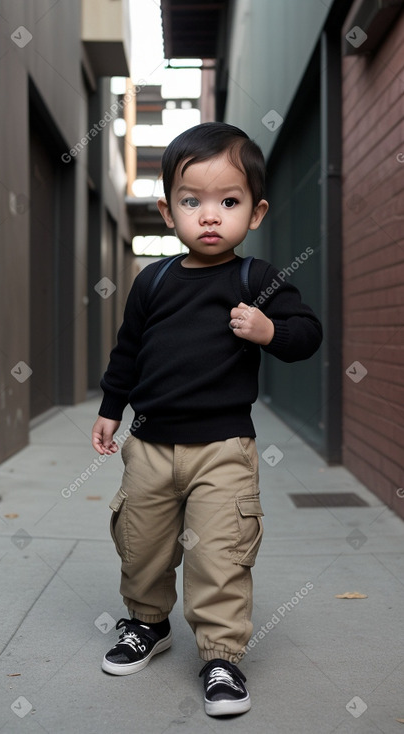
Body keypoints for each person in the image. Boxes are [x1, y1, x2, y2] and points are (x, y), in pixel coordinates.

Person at [91, 121, 322, 717]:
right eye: (193, 202)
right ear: (169, 212)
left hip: (223, 449)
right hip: (150, 447)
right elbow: (127, 352)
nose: (210, 216)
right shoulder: (153, 281)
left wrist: (269, 330)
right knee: (141, 545)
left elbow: (307, 335)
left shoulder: (256, 279)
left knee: (220, 552)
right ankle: (147, 622)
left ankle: (221, 656)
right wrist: (111, 409)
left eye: (229, 201)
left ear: (257, 211)